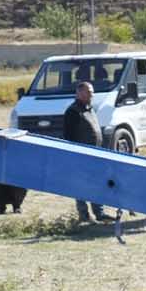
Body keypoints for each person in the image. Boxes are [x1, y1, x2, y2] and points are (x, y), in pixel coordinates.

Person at [62, 81, 111, 222]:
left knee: (97, 184)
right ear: (80, 93)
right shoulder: (72, 112)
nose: (92, 94)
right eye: (89, 92)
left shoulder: (90, 108)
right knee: (81, 186)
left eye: (92, 92)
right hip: (81, 156)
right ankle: (84, 215)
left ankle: (99, 213)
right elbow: (68, 136)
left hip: (95, 154)